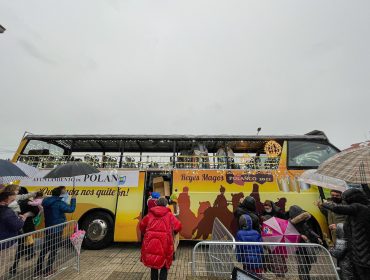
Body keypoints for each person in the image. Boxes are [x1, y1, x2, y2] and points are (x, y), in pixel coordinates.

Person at [320, 188, 370, 280]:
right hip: (358, 252)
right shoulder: (361, 209)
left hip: (363, 253)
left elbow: (337, 208)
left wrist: (324, 203)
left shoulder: (358, 207)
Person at [34, 186, 76, 278]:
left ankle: (37, 270)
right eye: (65, 192)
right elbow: (71, 209)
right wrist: (73, 199)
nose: (66, 193)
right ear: (60, 194)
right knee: (54, 249)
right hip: (57, 229)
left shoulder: (46, 201)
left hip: (48, 228)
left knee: (45, 249)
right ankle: (48, 270)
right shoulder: (59, 203)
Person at [140, 197, 182, 280]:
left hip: (151, 244)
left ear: (157, 204)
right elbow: (178, 226)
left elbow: (141, 226)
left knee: (154, 265)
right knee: (164, 265)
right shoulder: (170, 215)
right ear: (166, 205)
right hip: (165, 244)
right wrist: (174, 232)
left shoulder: (149, 215)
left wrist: (147, 234)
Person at [9, 188, 40, 275]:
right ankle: (28, 252)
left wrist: (26, 214)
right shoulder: (27, 202)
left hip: (22, 227)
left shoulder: (17, 202)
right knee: (24, 243)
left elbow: (36, 211)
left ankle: (15, 265)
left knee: (22, 244)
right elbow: (37, 211)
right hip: (25, 227)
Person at [289, 205, 322, 280]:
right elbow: (290, 235)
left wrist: (317, 237)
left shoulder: (303, 221)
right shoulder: (289, 224)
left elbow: (309, 230)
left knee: (308, 264)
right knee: (302, 265)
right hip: (298, 248)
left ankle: (306, 277)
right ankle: (304, 278)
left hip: (307, 246)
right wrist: (300, 236)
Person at [0, 190, 25, 280]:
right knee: (3, 267)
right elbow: (17, 225)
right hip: (6, 244)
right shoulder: (7, 212)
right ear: (3, 201)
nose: (14, 202)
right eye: (11, 200)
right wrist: (22, 220)